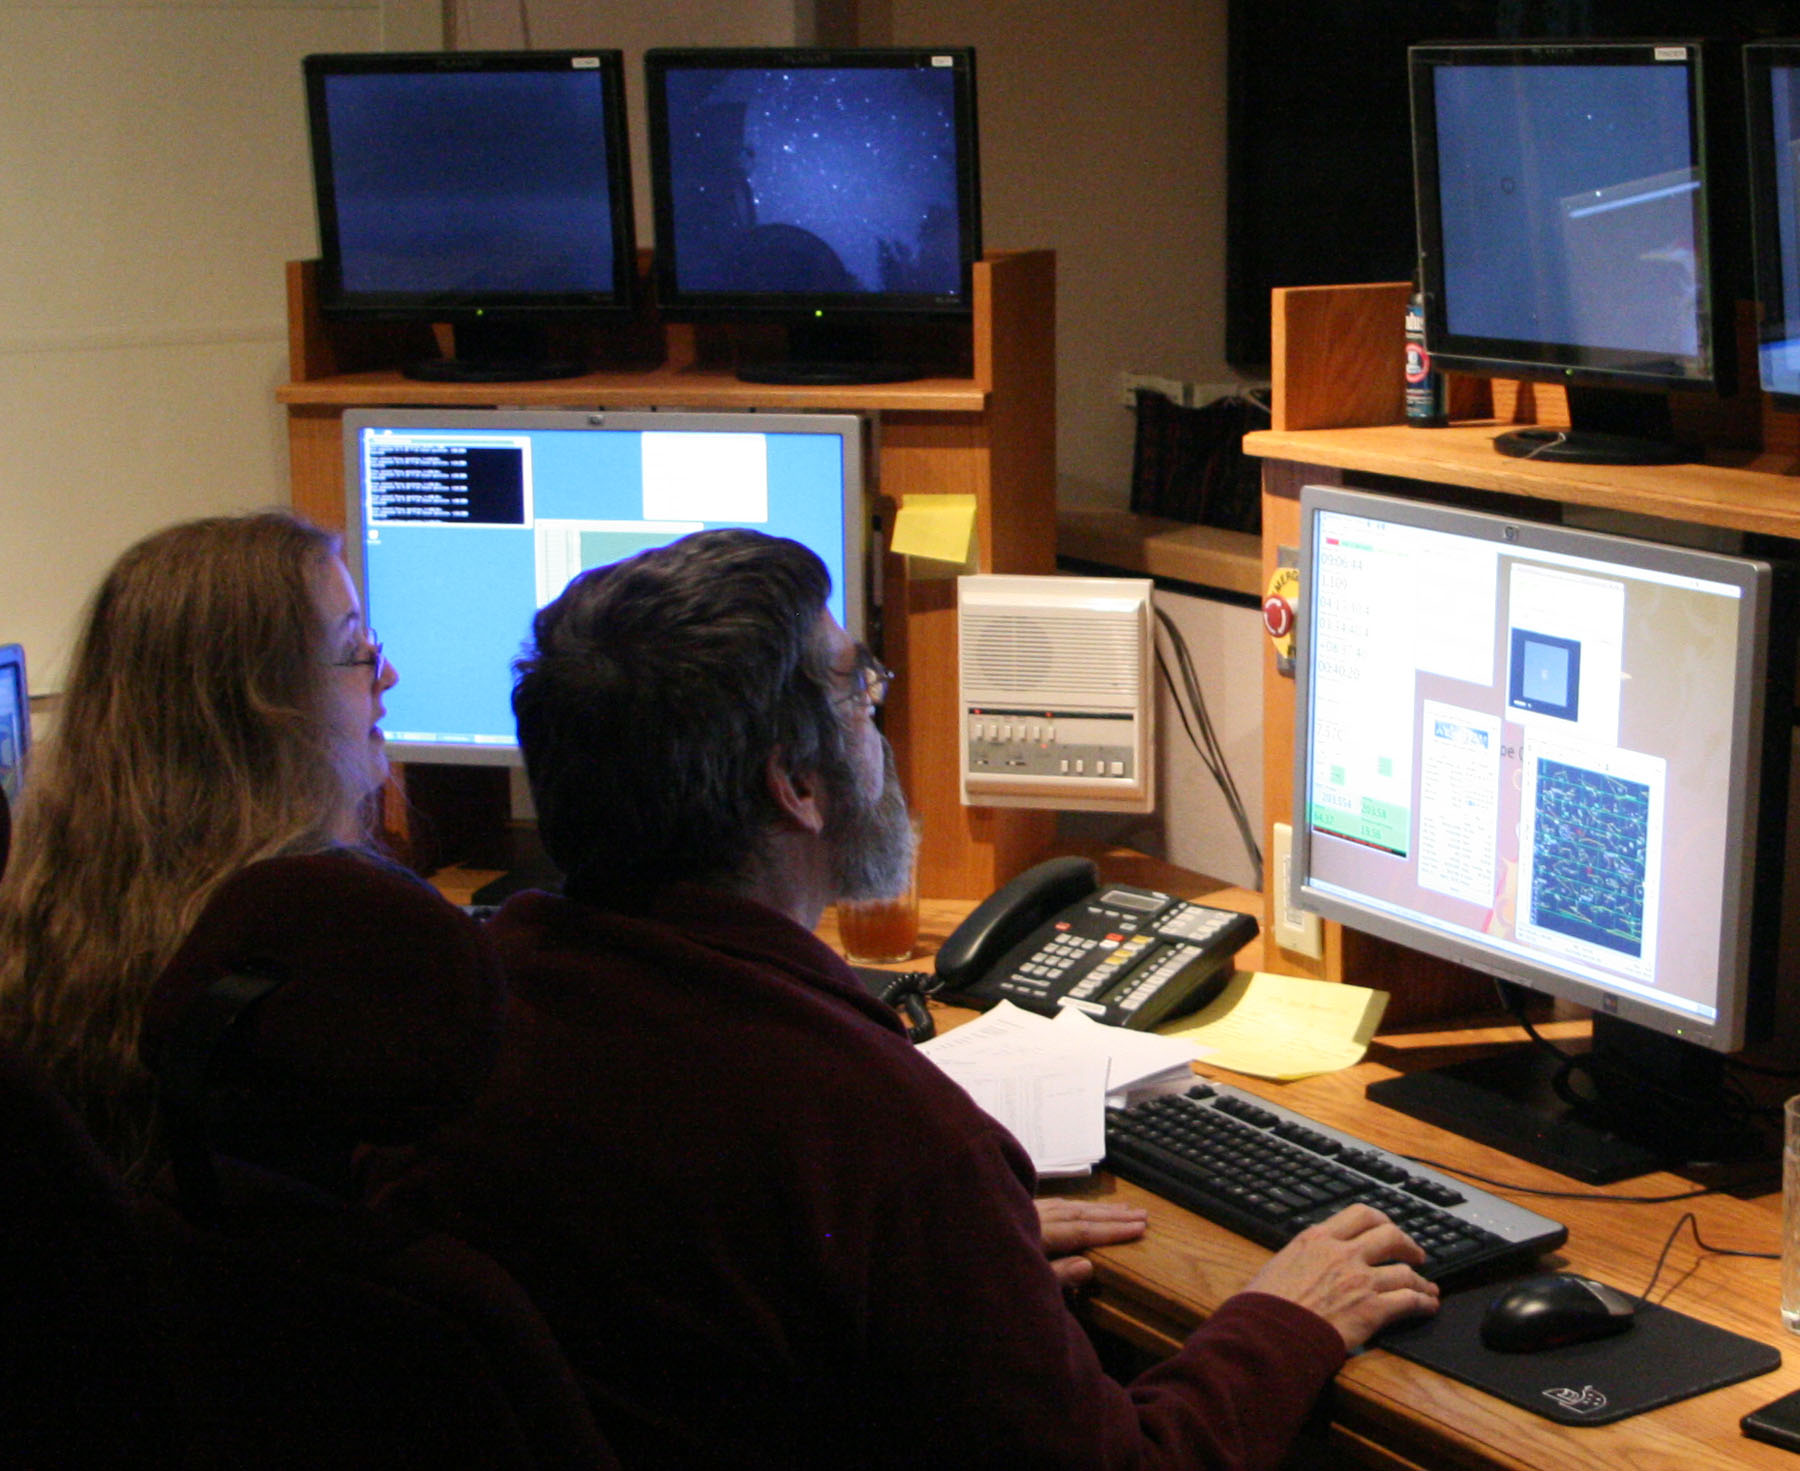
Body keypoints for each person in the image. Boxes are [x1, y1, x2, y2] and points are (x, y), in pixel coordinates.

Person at [376, 528, 1438, 1469]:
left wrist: (956, 1272)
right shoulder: (884, 1137)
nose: (878, 722)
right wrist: (1283, 1318)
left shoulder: (460, 1013)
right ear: (793, 785)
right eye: (858, 693)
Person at [0, 511, 398, 1174]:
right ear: (264, 710)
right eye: (357, 649)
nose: (387, 676)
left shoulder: (44, 931)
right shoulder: (319, 967)